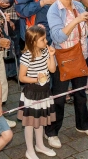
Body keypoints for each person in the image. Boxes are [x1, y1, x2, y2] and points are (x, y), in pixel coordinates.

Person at [46, 0, 88, 147]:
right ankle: (52, 132)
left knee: (81, 94)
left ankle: (83, 125)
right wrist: (77, 20)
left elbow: (85, 32)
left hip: (81, 55)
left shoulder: (78, 5)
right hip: (63, 58)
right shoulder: (54, 10)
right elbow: (57, 37)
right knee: (59, 97)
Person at [18, 25, 57, 159]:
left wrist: (52, 56)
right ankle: (29, 150)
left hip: (44, 91)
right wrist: (36, 79)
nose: (46, 41)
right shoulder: (26, 57)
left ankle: (39, 145)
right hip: (32, 93)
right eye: (43, 39)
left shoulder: (45, 52)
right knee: (30, 123)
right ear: (34, 42)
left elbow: (52, 70)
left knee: (40, 121)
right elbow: (21, 77)